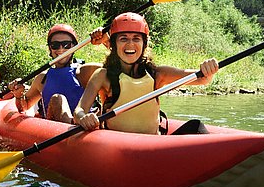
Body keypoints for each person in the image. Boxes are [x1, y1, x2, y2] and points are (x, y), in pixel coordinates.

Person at [73, 12, 218, 135]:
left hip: (152, 145)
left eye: (136, 38)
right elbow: (79, 110)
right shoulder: (102, 75)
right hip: (118, 146)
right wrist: (83, 117)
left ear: (144, 44)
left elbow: (202, 79)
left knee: (196, 126)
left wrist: (208, 69)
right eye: (123, 38)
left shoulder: (158, 74)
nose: (130, 44)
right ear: (114, 44)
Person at [7, 24, 104, 123]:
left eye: (66, 45)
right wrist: (18, 95)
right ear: (50, 49)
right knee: (57, 99)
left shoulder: (84, 72)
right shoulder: (42, 79)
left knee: (58, 99)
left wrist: (107, 41)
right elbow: (24, 107)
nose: (61, 49)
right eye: (55, 45)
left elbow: (116, 69)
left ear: (74, 47)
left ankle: (78, 122)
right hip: (57, 130)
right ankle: (72, 123)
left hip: (87, 126)